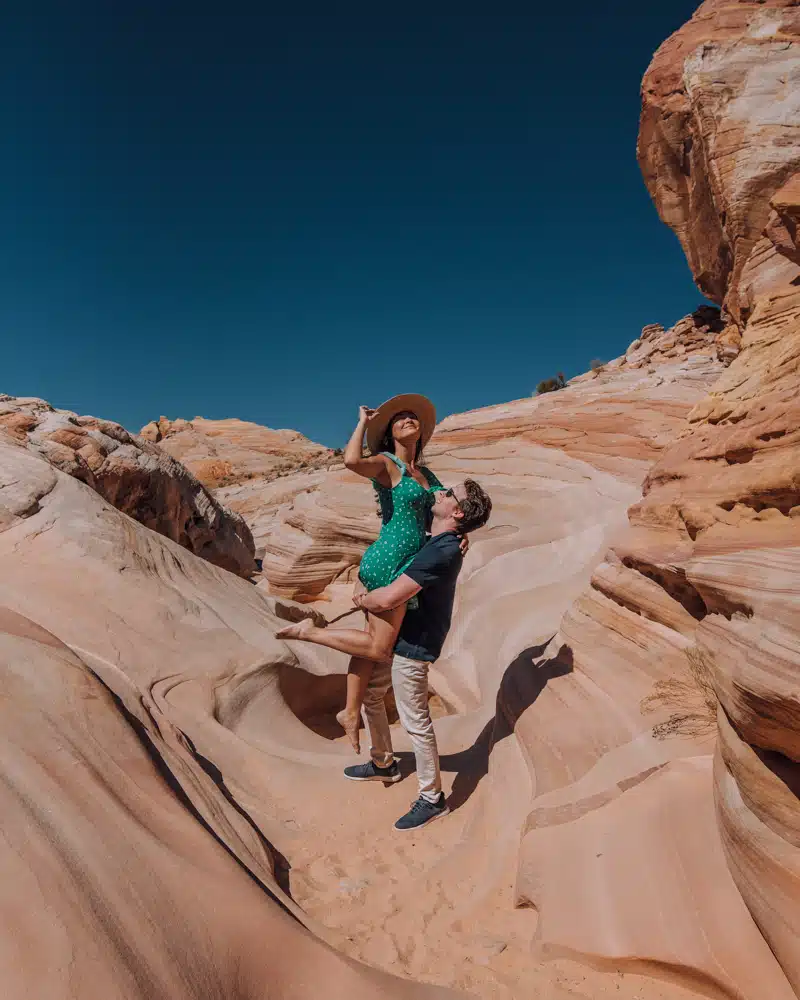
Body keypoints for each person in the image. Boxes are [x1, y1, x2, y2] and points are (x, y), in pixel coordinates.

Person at [284, 477, 493, 831]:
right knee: (372, 695)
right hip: (401, 637)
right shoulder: (441, 542)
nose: (439, 492)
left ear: (456, 511)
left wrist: (363, 599)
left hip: (414, 646)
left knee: (416, 722)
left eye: (447, 493)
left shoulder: (442, 551)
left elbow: (388, 598)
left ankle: (432, 799)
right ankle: (383, 762)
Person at [276, 394, 446, 752]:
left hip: (405, 562)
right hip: (390, 560)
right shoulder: (387, 465)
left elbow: (446, 511)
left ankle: (350, 712)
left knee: (371, 648)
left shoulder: (426, 474)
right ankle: (310, 632)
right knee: (379, 647)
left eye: (411, 417)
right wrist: (362, 423)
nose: (406, 420)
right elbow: (351, 461)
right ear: (390, 435)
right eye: (399, 419)